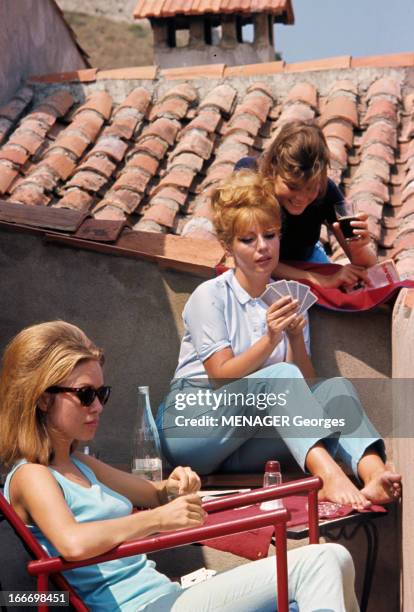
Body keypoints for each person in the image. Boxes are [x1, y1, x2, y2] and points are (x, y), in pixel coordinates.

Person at [0, 321, 360, 612]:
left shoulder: (81, 463)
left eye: (102, 393)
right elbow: (73, 544)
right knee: (320, 562)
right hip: (143, 606)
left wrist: (176, 485)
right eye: (85, 394)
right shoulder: (32, 475)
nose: (97, 407)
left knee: (336, 560)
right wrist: (157, 520)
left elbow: (157, 493)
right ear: (43, 398)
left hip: (164, 595)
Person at [157, 170, 401, 510]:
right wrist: (271, 338)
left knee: (334, 389)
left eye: (270, 235)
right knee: (278, 378)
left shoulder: (287, 297)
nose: (262, 247)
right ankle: (328, 478)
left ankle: (374, 473)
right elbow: (220, 374)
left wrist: (296, 338)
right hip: (194, 428)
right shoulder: (210, 296)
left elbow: (301, 387)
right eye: (247, 239)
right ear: (228, 245)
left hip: (245, 443)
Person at [235, 120, 377, 289]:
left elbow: (368, 267)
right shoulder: (249, 178)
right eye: (292, 186)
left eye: (311, 188)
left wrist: (359, 247)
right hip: (258, 265)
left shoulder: (326, 190)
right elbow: (250, 257)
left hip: (307, 259)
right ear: (273, 170)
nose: (301, 198)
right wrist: (320, 280)